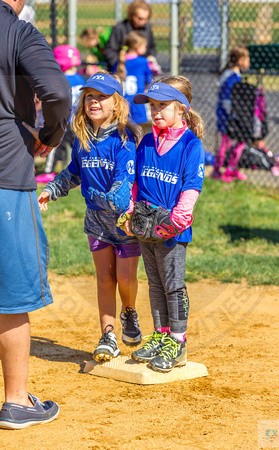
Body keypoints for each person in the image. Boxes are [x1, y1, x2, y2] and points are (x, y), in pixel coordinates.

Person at [37, 70, 143, 362]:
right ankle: (108, 336)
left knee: (125, 278)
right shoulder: (83, 141)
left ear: (116, 104)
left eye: (101, 97)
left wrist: (102, 198)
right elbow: (74, 173)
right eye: (89, 97)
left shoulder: (123, 140)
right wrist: (53, 188)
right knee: (104, 279)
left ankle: (129, 312)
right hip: (96, 221)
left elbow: (122, 185)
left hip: (124, 221)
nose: (94, 102)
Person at [0, 0, 71, 430]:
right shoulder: (19, 31)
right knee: (10, 292)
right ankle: (16, 401)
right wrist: (51, 133)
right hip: (6, 169)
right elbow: (58, 93)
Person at [118, 76, 205, 373]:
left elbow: (192, 187)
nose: (155, 111)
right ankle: (161, 334)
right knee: (155, 284)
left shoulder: (190, 145)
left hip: (171, 230)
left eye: (162, 105)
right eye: (152, 105)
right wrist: (130, 214)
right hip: (145, 224)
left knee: (173, 285)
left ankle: (177, 342)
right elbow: (135, 184)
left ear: (181, 109)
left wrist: (175, 222)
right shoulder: (145, 142)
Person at [36, 45, 85, 183]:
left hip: (63, 121)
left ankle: (48, 171)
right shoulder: (80, 78)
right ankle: (83, 172)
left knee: (54, 147)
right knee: (79, 148)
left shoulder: (60, 78)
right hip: (77, 121)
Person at [212, 45, 250, 182]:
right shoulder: (232, 77)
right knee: (227, 144)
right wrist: (234, 115)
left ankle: (228, 169)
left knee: (232, 143)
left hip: (228, 115)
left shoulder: (232, 75)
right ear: (240, 60)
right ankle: (221, 171)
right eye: (247, 59)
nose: (249, 62)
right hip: (229, 117)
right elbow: (227, 99)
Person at [113, 31, 152, 133]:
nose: (146, 49)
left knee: (122, 132)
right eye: (144, 46)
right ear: (137, 46)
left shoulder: (119, 61)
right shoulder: (142, 61)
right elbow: (148, 81)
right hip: (137, 103)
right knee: (138, 132)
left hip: (121, 103)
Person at [105, 0, 157, 71]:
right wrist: (121, 66)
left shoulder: (147, 28)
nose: (142, 22)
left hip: (141, 69)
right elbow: (110, 51)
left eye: (146, 19)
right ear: (132, 15)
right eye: (140, 18)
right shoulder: (119, 28)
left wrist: (149, 60)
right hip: (122, 70)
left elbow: (152, 47)